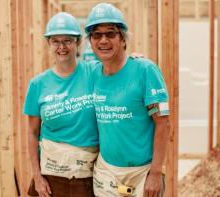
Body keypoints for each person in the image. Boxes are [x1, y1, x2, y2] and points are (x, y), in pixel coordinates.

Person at [85, 3, 170, 197]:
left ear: (123, 39)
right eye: (96, 35)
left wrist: (156, 173)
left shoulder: (145, 70)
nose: (103, 40)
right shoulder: (92, 74)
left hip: (142, 174)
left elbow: (163, 122)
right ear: (90, 41)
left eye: (111, 34)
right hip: (107, 174)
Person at [23, 12, 98, 197]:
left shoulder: (95, 72)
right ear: (49, 43)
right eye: (56, 41)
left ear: (78, 42)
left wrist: (134, 60)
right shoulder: (38, 84)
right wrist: (37, 176)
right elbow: (32, 133)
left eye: (68, 40)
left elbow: (119, 68)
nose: (62, 46)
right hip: (51, 176)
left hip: (87, 174)